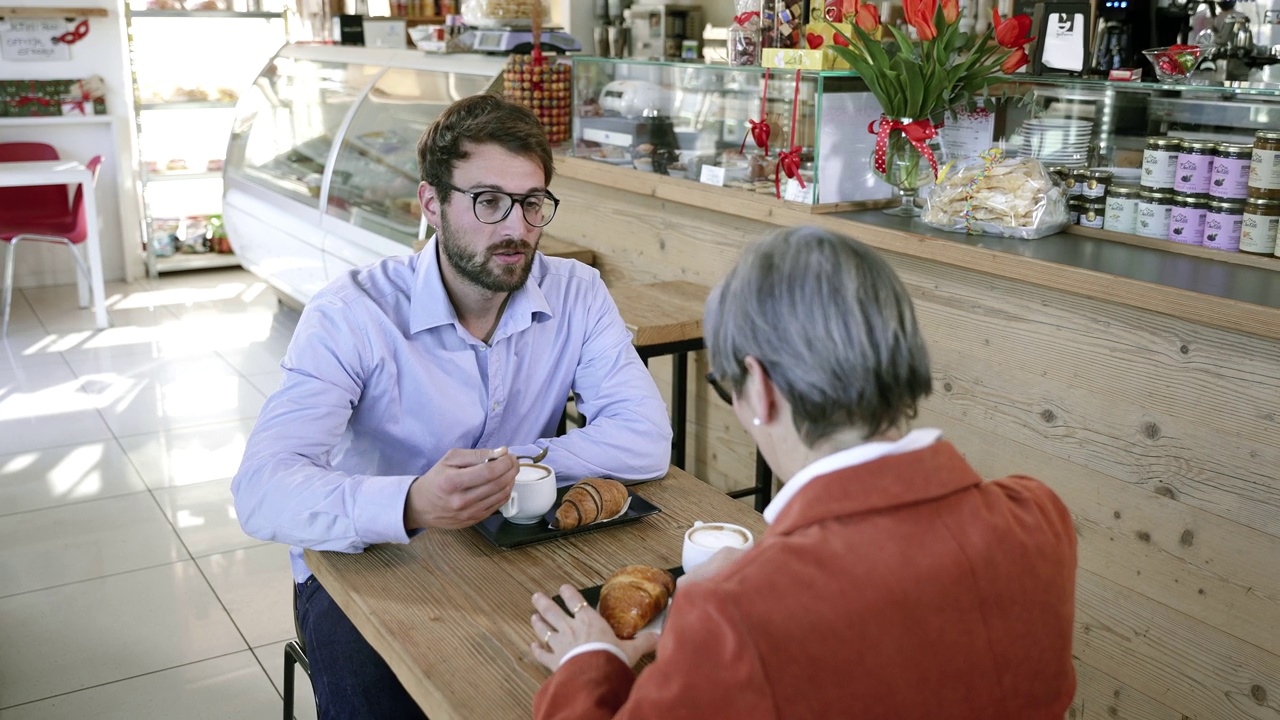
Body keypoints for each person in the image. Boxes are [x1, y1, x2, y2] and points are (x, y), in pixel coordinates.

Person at [232, 94, 672, 720]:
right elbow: (261, 489)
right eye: (488, 201)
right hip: (367, 565)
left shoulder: (577, 291)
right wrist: (413, 499)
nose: (516, 228)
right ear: (432, 204)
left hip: (520, 545)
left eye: (531, 203)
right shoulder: (352, 314)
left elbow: (647, 439)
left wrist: (500, 467)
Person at [528, 226, 1078, 719]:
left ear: (761, 388)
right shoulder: (1040, 517)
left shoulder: (735, 618)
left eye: (727, 389)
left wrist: (589, 663)